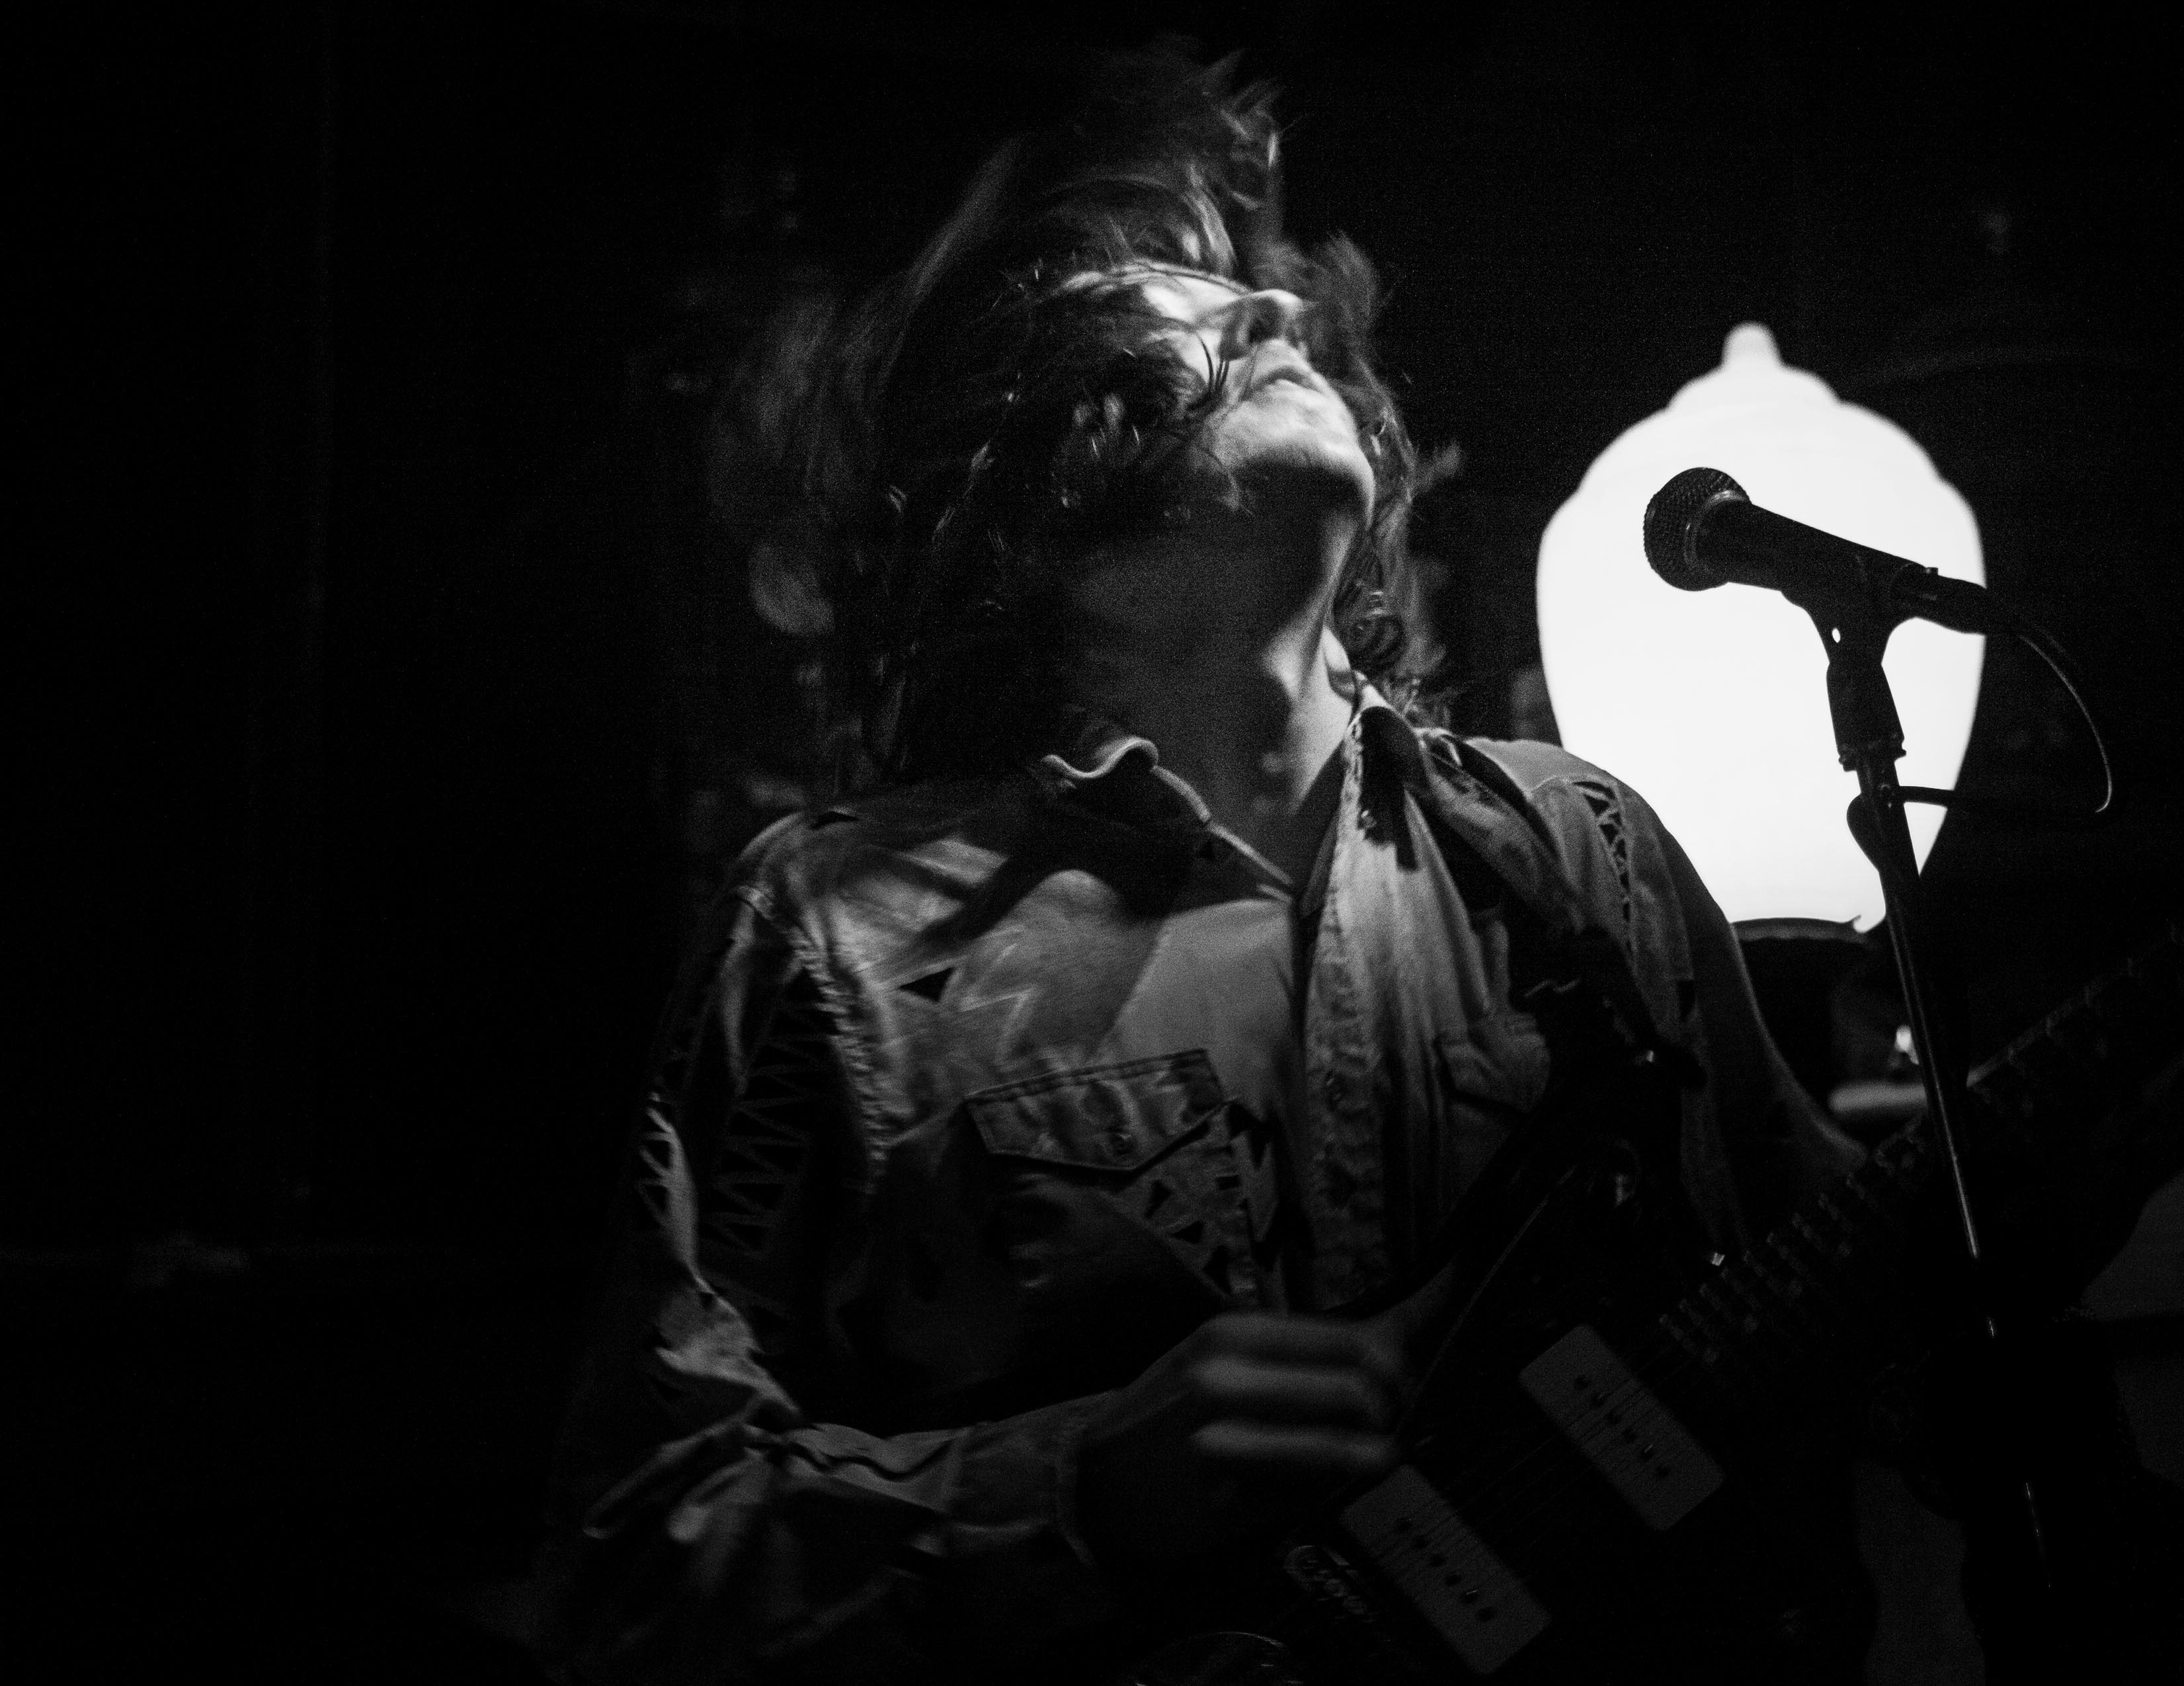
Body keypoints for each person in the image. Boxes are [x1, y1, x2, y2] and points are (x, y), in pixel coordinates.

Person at [535, 50, 1876, 1684]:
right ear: (1023, 496)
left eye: (1271, 295)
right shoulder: (842, 934)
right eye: (1175, 302)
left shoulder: (1575, 852)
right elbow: (638, 1566)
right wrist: (1082, 1490)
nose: (1272, 312)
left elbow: (1860, 1300)